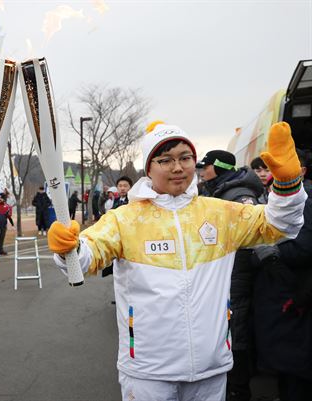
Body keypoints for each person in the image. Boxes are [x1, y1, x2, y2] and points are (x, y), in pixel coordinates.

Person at [47, 120, 306, 401]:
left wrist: (288, 188)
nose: (178, 167)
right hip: (149, 371)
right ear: (149, 168)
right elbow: (86, 256)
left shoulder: (221, 214)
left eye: (185, 158)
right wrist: (68, 249)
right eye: (165, 160)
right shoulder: (124, 220)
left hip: (211, 367)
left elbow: (279, 224)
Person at [196, 149, 264, 401]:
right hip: (225, 269)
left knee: (236, 328)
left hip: (238, 272)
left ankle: (238, 388)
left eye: (206, 166)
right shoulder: (219, 190)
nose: (202, 171)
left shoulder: (239, 195)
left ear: (220, 167)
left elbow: (256, 236)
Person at [253, 149, 312, 401]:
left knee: (295, 370)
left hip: (294, 294)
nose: (274, 172)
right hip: (286, 293)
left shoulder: (307, 200)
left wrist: (272, 250)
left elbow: (304, 247)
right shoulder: (275, 196)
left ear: (302, 171)